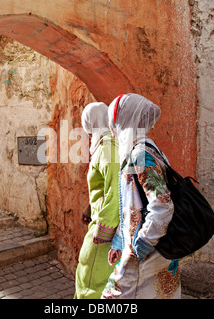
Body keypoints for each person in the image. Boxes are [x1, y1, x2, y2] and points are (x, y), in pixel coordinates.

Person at [101, 93, 181, 299]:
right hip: (151, 250)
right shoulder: (146, 150)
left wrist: (140, 247)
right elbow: (132, 205)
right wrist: (119, 242)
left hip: (147, 254)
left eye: (113, 122)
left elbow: (162, 206)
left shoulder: (140, 154)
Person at [74, 102, 120, 299]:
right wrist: (89, 208)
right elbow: (103, 186)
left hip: (104, 227)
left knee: (91, 279)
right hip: (100, 218)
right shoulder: (107, 144)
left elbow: (115, 188)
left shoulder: (107, 146)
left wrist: (104, 229)